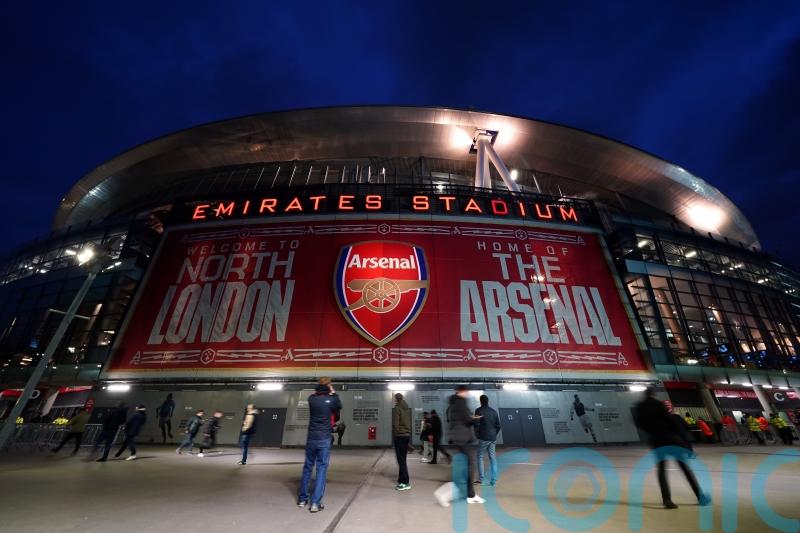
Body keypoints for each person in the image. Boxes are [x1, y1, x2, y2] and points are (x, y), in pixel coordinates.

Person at [633, 388, 711, 509]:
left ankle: (667, 500)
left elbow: (639, 423)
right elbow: (671, 422)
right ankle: (701, 497)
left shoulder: (639, 407)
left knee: (662, 470)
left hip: (656, 441)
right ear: (653, 394)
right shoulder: (658, 404)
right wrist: (684, 443)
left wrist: (652, 432)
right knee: (684, 468)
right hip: (670, 439)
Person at [298, 376, 342, 513]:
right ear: (329, 385)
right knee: (321, 469)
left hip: (311, 438)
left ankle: (302, 499)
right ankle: (315, 503)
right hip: (324, 439)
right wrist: (333, 392)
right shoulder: (331, 400)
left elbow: (319, 397)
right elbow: (338, 405)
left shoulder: (311, 398)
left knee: (307, 468)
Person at [447, 385, 484, 504]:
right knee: (471, 464)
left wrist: (470, 417)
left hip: (457, 437)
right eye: (466, 392)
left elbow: (461, 418)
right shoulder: (460, 403)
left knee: (465, 465)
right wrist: (476, 418)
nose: (467, 394)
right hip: (463, 438)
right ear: (462, 392)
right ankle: (469, 495)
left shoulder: (453, 404)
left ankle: (465, 492)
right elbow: (467, 419)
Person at [475, 395, 501, 486]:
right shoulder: (494, 412)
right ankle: (493, 481)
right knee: (493, 458)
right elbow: (498, 426)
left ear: (480, 401)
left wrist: (477, 434)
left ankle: (481, 479)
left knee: (480, 457)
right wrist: (494, 434)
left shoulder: (479, 410)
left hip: (483, 437)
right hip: (492, 438)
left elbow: (476, 424)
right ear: (488, 401)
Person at [392, 393, 412, 491]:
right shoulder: (407, 408)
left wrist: (396, 434)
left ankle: (405, 482)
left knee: (401, 460)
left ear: (396, 399)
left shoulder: (397, 409)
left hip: (399, 436)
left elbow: (395, 424)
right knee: (403, 458)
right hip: (406, 435)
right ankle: (401, 478)